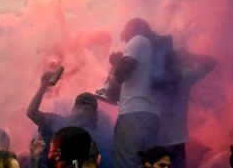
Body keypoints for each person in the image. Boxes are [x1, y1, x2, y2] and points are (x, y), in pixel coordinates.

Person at [26, 70, 112, 168]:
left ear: (95, 116)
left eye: (88, 109)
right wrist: (43, 86)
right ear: (73, 110)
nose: (83, 112)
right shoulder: (58, 122)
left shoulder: (101, 139)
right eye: (81, 107)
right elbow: (32, 113)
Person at [111, 20, 160, 168]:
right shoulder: (152, 48)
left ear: (131, 28)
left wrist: (115, 62)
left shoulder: (137, 40)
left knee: (126, 163)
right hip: (151, 115)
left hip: (134, 114)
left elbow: (121, 74)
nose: (124, 37)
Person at [157, 50, 216, 168]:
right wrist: (191, 56)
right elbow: (210, 62)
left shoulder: (182, 80)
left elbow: (211, 62)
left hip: (164, 141)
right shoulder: (182, 79)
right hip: (171, 140)